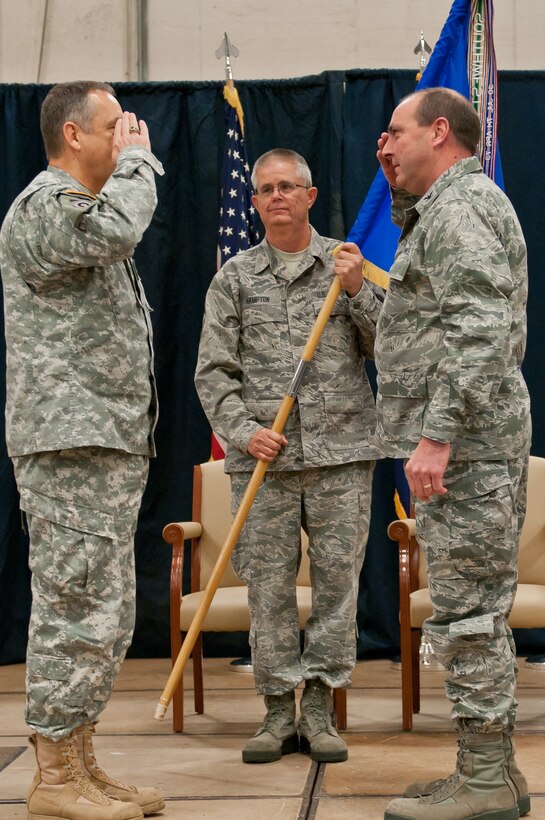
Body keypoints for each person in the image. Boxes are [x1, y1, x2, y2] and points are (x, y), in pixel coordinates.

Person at [0, 81, 165, 819]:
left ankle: (82, 762)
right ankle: (55, 779)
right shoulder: (45, 208)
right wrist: (138, 165)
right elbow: (117, 233)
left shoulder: (78, 212)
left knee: (103, 612)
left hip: (101, 440)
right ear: (74, 135)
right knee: (74, 607)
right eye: (114, 128)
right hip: (68, 441)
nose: (126, 137)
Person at [373, 88, 531, 820]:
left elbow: (479, 327)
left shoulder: (461, 209)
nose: (384, 144)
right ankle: (486, 768)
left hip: (465, 448)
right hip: (466, 444)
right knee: (471, 611)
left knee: (468, 613)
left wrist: (437, 434)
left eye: (396, 132)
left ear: (439, 131)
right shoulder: (438, 211)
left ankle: (485, 780)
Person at [195, 148, 383, 765]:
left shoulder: (346, 265)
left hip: (340, 457)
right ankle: (278, 712)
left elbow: (391, 345)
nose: (277, 196)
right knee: (269, 591)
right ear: (254, 203)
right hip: (265, 462)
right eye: (265, 189)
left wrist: (357, 291)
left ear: (309, 195)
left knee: (336, 588)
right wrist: (244, 432)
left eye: (288, 187)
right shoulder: (235, 278)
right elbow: (212, 374)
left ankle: (322, 710)